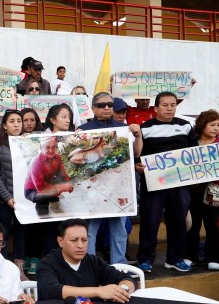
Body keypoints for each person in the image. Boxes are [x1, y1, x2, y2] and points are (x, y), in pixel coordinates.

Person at [136, 92, 198, 273]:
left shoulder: (185, 126)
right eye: (165, 105)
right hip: (153, 184)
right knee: (150, 221)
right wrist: (138, 166)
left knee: (178, 221)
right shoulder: (145, 128)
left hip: (180, 184)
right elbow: (138, 155)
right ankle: (145, 259)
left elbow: (194, 153)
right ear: (155, 108)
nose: (170, 108)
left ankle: (175, 258)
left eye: (173, 105)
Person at [78, 92, 143, 265]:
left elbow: (136, 153)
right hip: (93, 188)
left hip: (118, 187)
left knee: (119, 229)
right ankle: (90, 266)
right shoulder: (83, 130)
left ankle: (119, 265)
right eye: (101, 105)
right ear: (93, 108)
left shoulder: (124, 128)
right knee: (91, 229)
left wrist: (137, 136)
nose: (106, 108)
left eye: (109, 104)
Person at [37, 219, 137, 301]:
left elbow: (128, 279)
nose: (80, 245)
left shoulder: (93, 261)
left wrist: (122, 291)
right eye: (74, 240)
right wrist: (99, 291)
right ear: (60, 241)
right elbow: (49, 290)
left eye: (84, 240)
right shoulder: (47, 263)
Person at [0, 110, 26, 275]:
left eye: (19, 121)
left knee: (21, 234)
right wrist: (7, 197)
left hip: (23, 200)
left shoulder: (28, 142)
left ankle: (19, 268)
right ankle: (2, 268)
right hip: (2, 201)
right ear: (4, 125)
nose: (17, 124)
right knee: (3, 234)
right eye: (12, 121)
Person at [185, 110, 219, 270]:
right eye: (212, 125)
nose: (216, 128)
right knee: (193, 225)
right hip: (193, 192)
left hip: (214, 193)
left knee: (213, 225)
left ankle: (213, 257)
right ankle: (190, 256)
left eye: (218, 125)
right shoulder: (192, 143)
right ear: (202, 125)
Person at [24, 136, 74, 217]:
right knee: (45, 196)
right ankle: (42, 215)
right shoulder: (36, 163)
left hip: (48, 182)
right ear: (41, 147)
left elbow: (62, 173)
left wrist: (69, 183)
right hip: (33, 191)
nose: (51, 150)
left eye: (53, 147)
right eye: (47, 147)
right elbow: (42, 189)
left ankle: (53, 198)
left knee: (56, 189)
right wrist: (63, 187)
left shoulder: (57, 157)